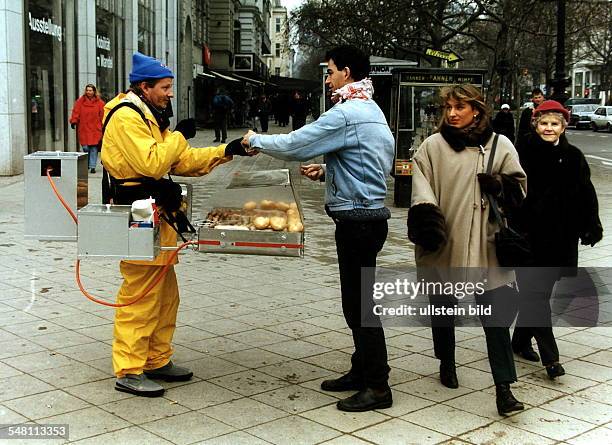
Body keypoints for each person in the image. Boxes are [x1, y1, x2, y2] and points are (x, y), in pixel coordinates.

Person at [245, 45, 395, 412]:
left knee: (359, 308)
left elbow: (298, 144)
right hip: (369, 218)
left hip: (357, 223)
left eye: (329, 71)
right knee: (359, 303)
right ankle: (361, 371)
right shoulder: (371, 110)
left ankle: (378, 386)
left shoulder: (347, 113)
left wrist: (255, 139)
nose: (327, 79)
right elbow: (374, 162)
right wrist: (329, 171)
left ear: (345, 72)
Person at [100, 52, 253, 398]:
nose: (171, 93)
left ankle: (156, 358)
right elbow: (153, 162)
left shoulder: (149, 116)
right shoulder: (127, 117)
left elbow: (181, 161)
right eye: (166, 87)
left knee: (166, 294)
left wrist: (225, 151)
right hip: (137, 212)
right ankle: (129, 368)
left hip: (156, 212)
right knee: (140, 293)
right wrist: (179, 136)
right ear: (144, 86)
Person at [408, 84, 526, 416]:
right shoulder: (432, 147)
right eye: (448, 107)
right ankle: (446, 360)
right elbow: (421, 189)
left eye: (460, 107)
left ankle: (504, 389)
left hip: (487, 247)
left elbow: (520, 189)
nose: (453, 113)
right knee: (443, 306)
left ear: (477, 109)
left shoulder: (500, 145)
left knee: (496, 318)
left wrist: (501, 185)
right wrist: (428, 224)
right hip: (445, 242)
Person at [511, 100, 602, 379]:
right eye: (543, 123)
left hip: (560, 236)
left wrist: (591, 224)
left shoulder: (573, 156)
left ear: (563, 126)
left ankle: (520, 341)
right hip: (528, 235)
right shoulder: (521, 152)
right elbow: (509, 189)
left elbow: (586, 191)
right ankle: (551, 358)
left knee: (540, 293)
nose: (548, 128)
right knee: (535, 294)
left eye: (554, 124)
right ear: (535, 124)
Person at [70, 84, 105, 173]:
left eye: (90, 90)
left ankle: (92, 166)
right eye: (87, 90)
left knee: (94, 148)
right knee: (85, 148)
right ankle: (88, 163)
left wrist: (104, 126)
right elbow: (76, 111)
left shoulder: (100, 103)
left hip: (95, 128)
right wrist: (74, 121)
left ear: (94, 91)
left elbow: (103, 115)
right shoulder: (80, 102)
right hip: (84, 128)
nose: (89, 92)